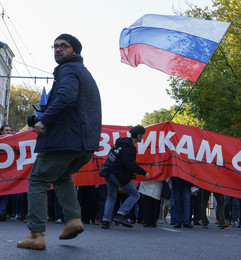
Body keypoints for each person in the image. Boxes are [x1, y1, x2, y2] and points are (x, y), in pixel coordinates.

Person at [17, 33, 102, 250]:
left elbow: (66, 97)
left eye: (63, 46)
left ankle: (36, 234)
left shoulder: (68, 69)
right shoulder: (83, 72)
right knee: (63, 176)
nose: (58, 49)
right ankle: (73, 220)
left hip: (64, 140)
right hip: (84, 144)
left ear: (75, 50)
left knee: (38, 180)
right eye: (55, 46)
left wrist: (45, 119)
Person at [101, 125, 150, 229]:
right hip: (117, 175)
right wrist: (144, 172)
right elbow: (130, 163)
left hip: (108, 172)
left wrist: (131, 173)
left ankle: (106, 221)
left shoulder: (120, 142)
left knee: (111, 197)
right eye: (143, 136)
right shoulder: (130, 147)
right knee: (135, 194)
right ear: (138, 135)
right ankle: (121, 214)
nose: (143, 138)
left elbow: (115, 158)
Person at [0, 125, 12, 221]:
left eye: (10, 130)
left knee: (5, 194)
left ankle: (2, 213)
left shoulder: (14, 142)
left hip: (7, 174)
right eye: (6, 130)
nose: (8, 132)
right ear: (1, 132)